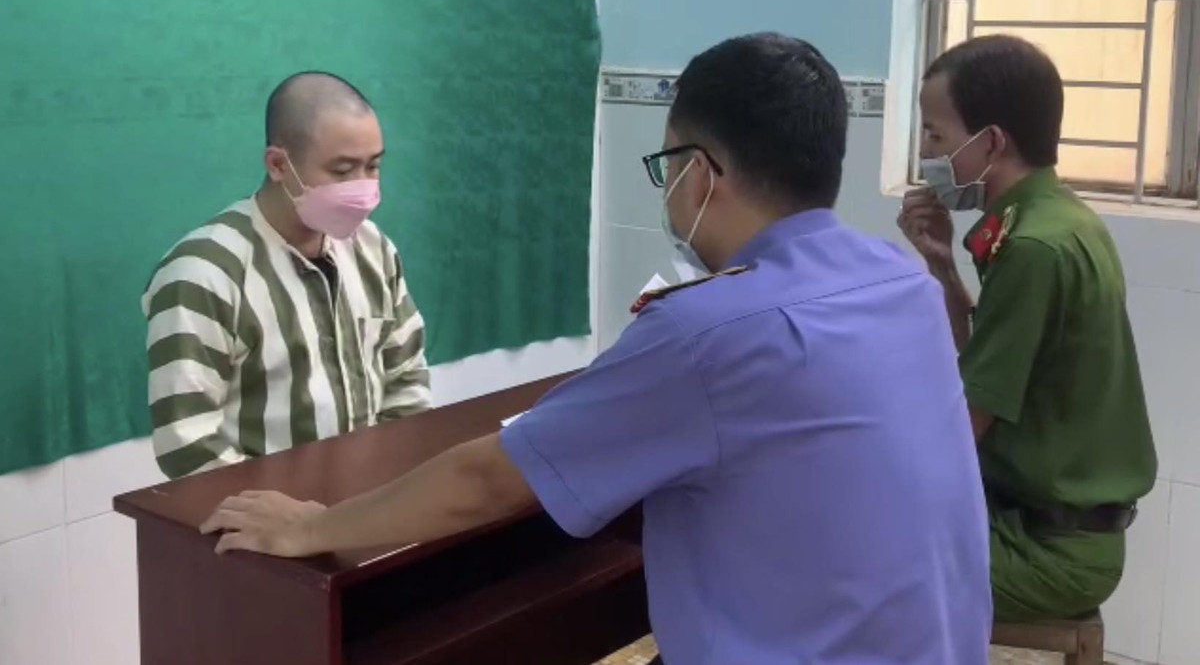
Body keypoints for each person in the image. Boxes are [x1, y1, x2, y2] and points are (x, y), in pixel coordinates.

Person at [200, 34, 992, 664]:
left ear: (699, 174)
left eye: (666, 167)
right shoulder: (902, 282)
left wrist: (313, 529)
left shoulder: (706, 331)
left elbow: (487, 480)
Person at [898, 35, 1158, 622]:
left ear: (992, 142)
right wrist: (942, 266)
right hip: (1045, 523)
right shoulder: (1057, 218)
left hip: (1048, 549)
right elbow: (991, 363)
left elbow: (967, 421)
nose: (926, 152)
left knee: (851, 555)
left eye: (935, 135)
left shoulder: (1033, 248)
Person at [143, 72, 432, 479]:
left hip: (370, 499)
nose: (363, 187)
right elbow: (187, 444)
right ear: (279, 164)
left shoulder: (373, 249)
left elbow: (407, 377)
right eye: (343, 170)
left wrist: (386, 480)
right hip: (261, 511)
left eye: (374, 166)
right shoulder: (203, 274)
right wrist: (287, 511)